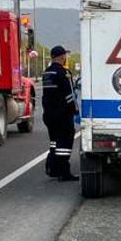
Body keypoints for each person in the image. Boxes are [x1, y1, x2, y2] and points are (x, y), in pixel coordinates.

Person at [42, 45, 79, 182]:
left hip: (49, 115)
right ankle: (64, 172)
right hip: (62, 115)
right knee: (64, 143)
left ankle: (52, 167)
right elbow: (70, 96)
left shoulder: (47, 73)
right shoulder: (64, 73)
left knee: (54, 142)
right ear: (63, 56)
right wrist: (76, 112)